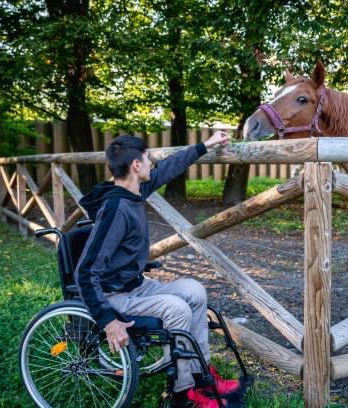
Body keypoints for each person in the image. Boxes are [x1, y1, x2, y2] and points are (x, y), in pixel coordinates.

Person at [75, 132, 238, 408]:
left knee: (195, 291)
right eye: (148, 158)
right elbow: (85, 272)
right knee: (177, 309)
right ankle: (183, 393)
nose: (152, 163)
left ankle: (201, 375)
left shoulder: (133, 192)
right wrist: (108, 321)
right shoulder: (116, 208)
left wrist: (204, 145)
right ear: (136, 166)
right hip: (114, 295)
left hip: (135, 285)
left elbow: (168, 168)